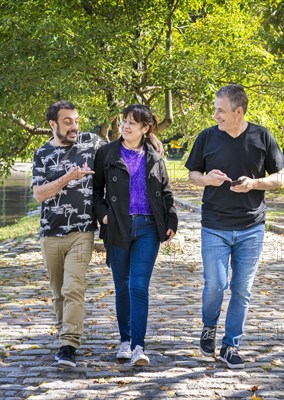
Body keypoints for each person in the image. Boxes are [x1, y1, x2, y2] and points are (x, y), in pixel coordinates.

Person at [32, 100, 163, 368]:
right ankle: (64, 334)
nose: (74, 126)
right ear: (52, 125)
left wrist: (151, 138)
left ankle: (69, 345)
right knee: (58, 292)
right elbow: (39, 194)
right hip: (50, 231)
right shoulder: (41, 154)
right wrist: (67, 178)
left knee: (73, 287)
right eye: (67, 121)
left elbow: (128, 143)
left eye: (76, 120)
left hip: (82, 230)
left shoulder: (91, 143)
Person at [184, 84, 284, 369]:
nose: (215, 114)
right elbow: (192, 174)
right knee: (215, 285)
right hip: (214, 224)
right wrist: (207, 180)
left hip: (251, 226)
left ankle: (231, 345)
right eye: (215, 109)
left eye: (220, 110)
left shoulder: (262, 136)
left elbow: (279, 179)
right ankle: (209, 326)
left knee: (242, 289)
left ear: (238, 111)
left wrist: (254, 184)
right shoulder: (206, 137)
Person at [93, 104, 178, 366]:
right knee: (122, 287)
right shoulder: (106, 153)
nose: (126, 126)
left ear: (145, 128)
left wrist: (171, 218)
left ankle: (139, 346)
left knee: (138, 286)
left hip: (148, 229)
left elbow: (165, 193)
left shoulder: (154, 157)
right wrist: (103, 215)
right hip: (117, 227)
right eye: (125, 121)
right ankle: (125, 340)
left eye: (132, 123)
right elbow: (96, 192)